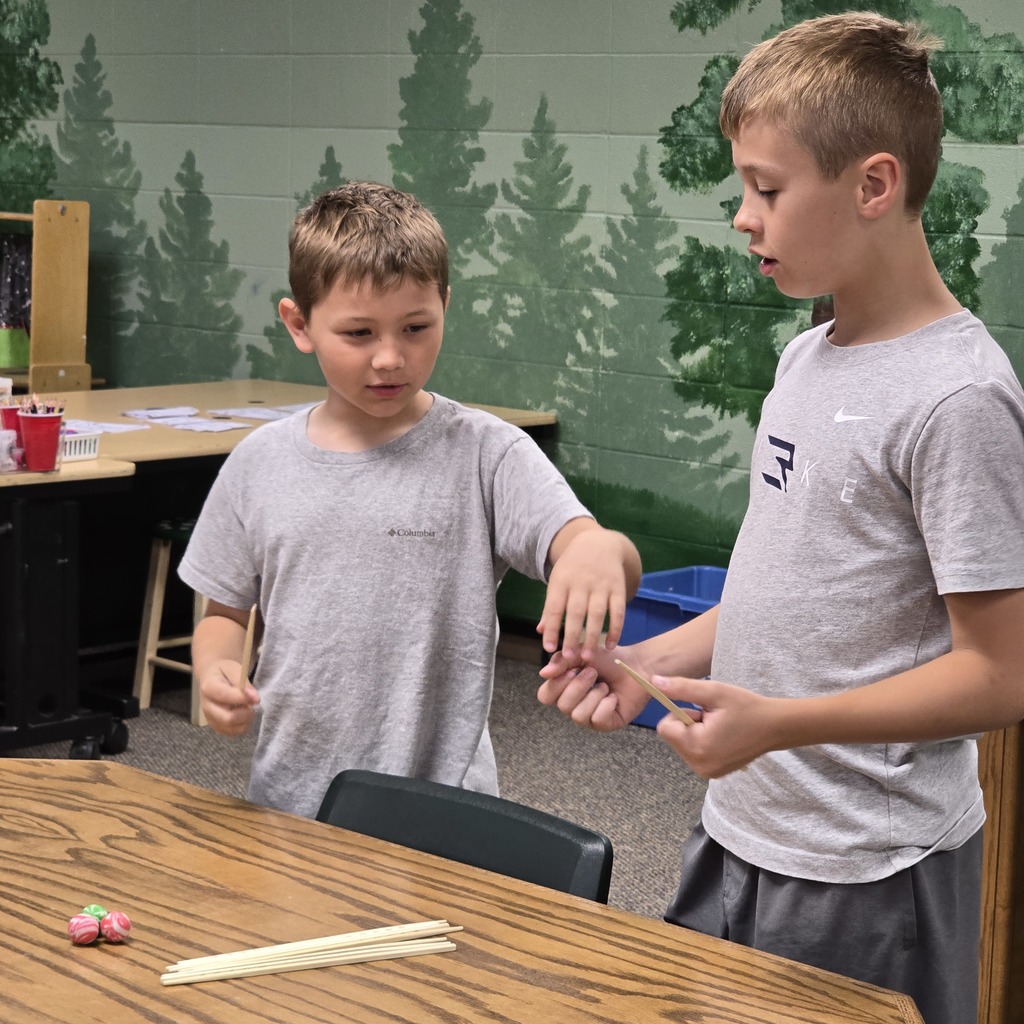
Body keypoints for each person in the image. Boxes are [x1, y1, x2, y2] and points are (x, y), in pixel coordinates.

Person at [537, 13, 1024, 1024]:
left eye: (766, 188)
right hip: (740, 824)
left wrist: (779, 726)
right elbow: (784, 588)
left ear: (873, 184)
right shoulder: (805, 356)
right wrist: (651, 665)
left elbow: (999, 673)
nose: (743, 218)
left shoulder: (958, 399)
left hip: (865, 864)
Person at [180, 181, 641, 821]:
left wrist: (598, 550)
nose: (390, 358)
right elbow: (224, 614)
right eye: (359, 332)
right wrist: (216, 672)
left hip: (444, 808)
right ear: (299, 324)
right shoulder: (259, 464)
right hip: (293, 802)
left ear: (445, 305)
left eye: (416, 327)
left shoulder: (487, 453)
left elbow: (588, 545)